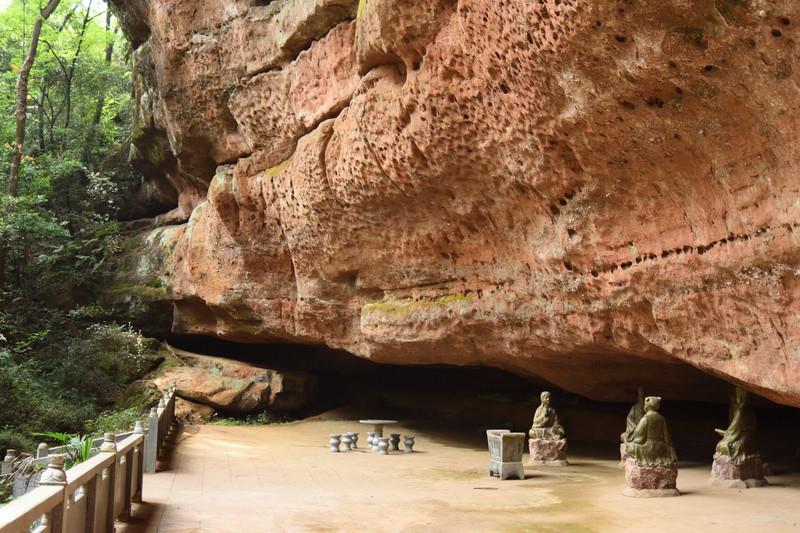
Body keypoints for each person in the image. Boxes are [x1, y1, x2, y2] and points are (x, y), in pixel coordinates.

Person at [627, 396, 677, 466]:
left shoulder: (645, 418)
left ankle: (648, 460)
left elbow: (639, 438)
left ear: (647, 406)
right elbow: (666, 437)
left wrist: (634, 441)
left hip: (649, 449)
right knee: (670, 449)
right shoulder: (662, 419)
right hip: (660, 448)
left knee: (629, 449)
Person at [714, 387, 758, 464]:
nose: (739, 398)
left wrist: (728, 435)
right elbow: (733, 425)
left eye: (741, 396)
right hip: (734, 434)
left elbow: (741, 426)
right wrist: (727, 434)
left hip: (746, 435)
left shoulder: (742, 410)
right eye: (738, 396)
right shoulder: (735, 407)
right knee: (721, 445)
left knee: (736, 447)